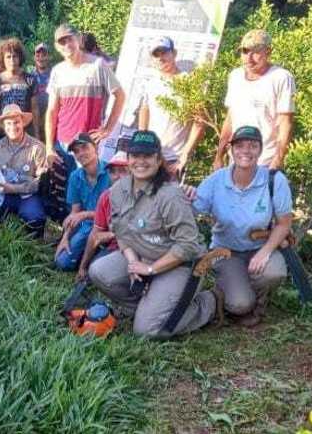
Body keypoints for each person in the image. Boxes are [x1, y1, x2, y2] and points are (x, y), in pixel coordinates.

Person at [87, 130, 223, 339]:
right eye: (135, 155)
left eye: (148, 156)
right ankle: (145, 308)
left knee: (147, 330)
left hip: (182, 264)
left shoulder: (170, 195)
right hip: (143, 255)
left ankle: (209, 303)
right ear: (128, 159)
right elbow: (121, 232)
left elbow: (187, 247)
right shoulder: (118, 190)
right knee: (99, 271)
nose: (141, 161)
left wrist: (150, 269)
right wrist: (133, 262)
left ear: (159, 160)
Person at [193, 126, 291, 327]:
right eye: (239, 146)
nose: (246, 151)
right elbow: (191, 211)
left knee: (274, 272)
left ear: (260, 150)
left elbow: (283, 224)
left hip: (259, 246)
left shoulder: (274, 180)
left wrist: (264, 252)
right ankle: (231, 292)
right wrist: (183, 194)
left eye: (253, 146)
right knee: (239, 304)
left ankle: (259, 302)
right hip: (225, 251)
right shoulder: (216, 180)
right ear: (231, 150)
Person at [45, 23, 126, 168]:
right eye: (62, 42)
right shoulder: (58, 71)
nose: (67, 45)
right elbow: (51, 111)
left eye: (70, 39)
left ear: (79, 39)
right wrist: (49, 147)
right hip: (63, 144)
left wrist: (107, 129)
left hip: (88, 144)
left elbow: (120, 96)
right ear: (57, 47)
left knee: (88, 181)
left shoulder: (98, 65)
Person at [214, 29, 295, 170]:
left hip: (265, 162)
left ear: (268, 52)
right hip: (237, 160)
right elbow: (230, 118)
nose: (249, 58)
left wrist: (277, 160)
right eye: (245, 51)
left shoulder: (281, 77)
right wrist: (219, 156)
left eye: (256, 52)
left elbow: (285, 123)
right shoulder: (235, 76)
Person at [136, 37, 205, 174]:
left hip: (175, 159)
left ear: (174, 53)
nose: (160, 58)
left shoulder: (189, 82)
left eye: (164, 52)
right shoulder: (151, 83)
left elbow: (200, 121)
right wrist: (144, 146)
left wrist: (185, 155)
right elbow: (145, 111)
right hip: (151, 156)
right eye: (156, 54)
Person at [0, 105, 48, 237]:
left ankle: (33, 240)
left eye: (16, 122)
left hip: (27, 195)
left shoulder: (37, 147)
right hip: (1, 195)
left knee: (35, 218)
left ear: (23, 123)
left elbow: (41, 182)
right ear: (3, 126)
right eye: (8, 123)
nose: (12, 127)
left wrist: (14, 188)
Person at [55, 133, 110, 271]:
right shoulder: (75, 176)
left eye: (85, 147)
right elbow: (75, 212)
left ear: (96, 148)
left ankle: (93, 255)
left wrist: (85, 214)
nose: (80, 153)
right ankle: (86, 253)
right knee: (62, 262)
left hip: (109, 225)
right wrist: (65, 237)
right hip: (86, 226)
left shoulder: (111, 173)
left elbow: (115, 212)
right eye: (76, 151)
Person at [76, 152, 129, 281]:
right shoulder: (106, 197)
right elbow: (95, 235)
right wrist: (83, 267)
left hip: (142, 249)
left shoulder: (144, 195)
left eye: (122, 171)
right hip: (116, 248)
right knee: (93, 271)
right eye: (113, 172)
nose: (117, 176)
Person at [0, 38, 38, 144]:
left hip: (24, 130)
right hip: (0, 132)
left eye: (14, 56)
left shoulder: (30, 79)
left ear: (20, 57)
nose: (12, 60)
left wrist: (37, 134)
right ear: (2, 59)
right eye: (8, 57)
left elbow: (34, 109)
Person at [31, 42, 51, 129]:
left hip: (51, 120)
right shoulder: (29, 76)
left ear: (49, 57)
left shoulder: (55, 75)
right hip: (34, 122)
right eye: (38, 55)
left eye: (44, 55)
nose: (41, 58)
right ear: (34, 57)